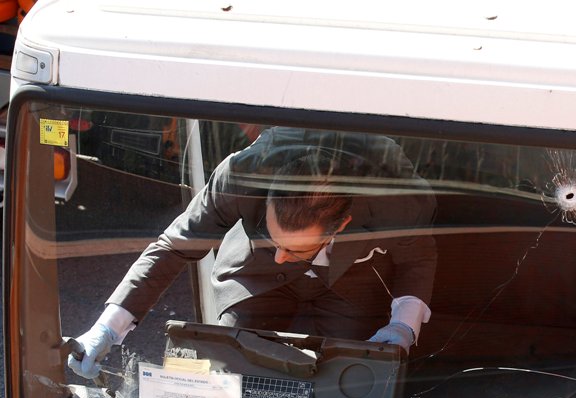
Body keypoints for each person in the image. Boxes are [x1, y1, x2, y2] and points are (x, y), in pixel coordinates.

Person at [68, 127, 438, 379]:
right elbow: (175, 245)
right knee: (231, 370)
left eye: (293, 248)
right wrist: (106, 329)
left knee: (348, 376)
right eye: (272, 238)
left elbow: (417, 258)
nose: (280, 256)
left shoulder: (397, 201)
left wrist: (402, 326)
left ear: (340, 226)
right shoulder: (241, 176)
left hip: (347, 282)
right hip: (252, 273)